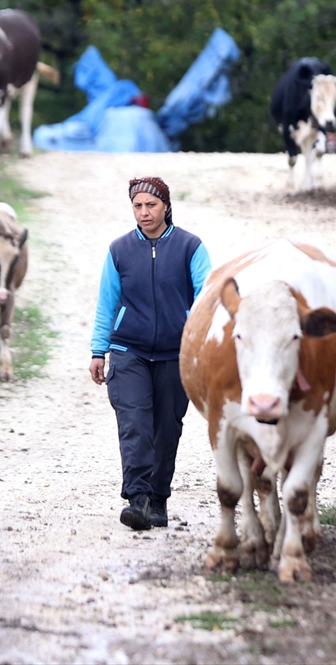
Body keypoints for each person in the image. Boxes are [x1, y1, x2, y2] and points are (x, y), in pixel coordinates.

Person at [89, 177, 212, 530]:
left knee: (167, 429)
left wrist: (198, 343)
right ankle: (138, 498)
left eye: (151, 205)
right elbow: (107, 304)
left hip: (177, 353)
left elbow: (206, 298)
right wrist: (99, 350)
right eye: (138, 206)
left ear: (166, 206)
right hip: (130, 350)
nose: (144, 212)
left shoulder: (191, 247)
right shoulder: (119, 251)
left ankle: (158, 500)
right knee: (135, 424)